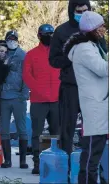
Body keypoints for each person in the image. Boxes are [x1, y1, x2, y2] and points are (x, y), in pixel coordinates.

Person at [64, 11, 108, 184]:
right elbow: (103, 69)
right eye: (101, 26)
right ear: (92, 29)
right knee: (91, 152)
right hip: (94, 106)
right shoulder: (83, 49)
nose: (103, 29)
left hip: (100, 103)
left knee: (96, 151)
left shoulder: (92, 45)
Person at [23, 24, 60, 174]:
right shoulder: (31, 54)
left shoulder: (59, 54)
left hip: (56, 99)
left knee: (55, 132)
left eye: (52, 34)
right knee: (37, 133)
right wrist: (38, 90)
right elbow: (26, 75)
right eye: (46, 34)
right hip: (38, 100)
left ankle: (56, 161)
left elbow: (65, 73)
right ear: (39, 36)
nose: (49, 37)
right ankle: (37, 163)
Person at [0, 30, 29, 169]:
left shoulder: (23, 55)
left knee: (22, 128)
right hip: (3, 98)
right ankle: (7, 160)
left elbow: (27, 76)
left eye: (14, 38)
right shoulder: (0, 53)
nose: (12, 40)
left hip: (18, 97)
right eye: (9, 38)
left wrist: (23, 95)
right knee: (4, 129)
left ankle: (23, 160)